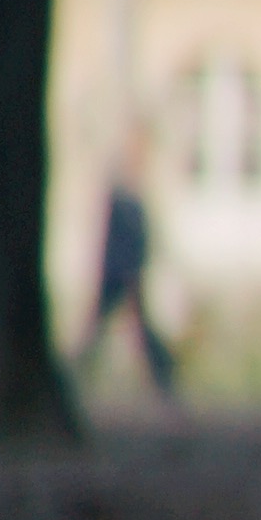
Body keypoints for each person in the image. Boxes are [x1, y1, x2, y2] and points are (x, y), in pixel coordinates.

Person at [83, 147, 183, 405]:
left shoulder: (128, 196)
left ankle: (163, 373)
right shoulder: (123, 197)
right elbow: (120, 239)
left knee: (121, 327)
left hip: (126, 272)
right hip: (121, 271)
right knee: (108, 327)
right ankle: (163, 373)